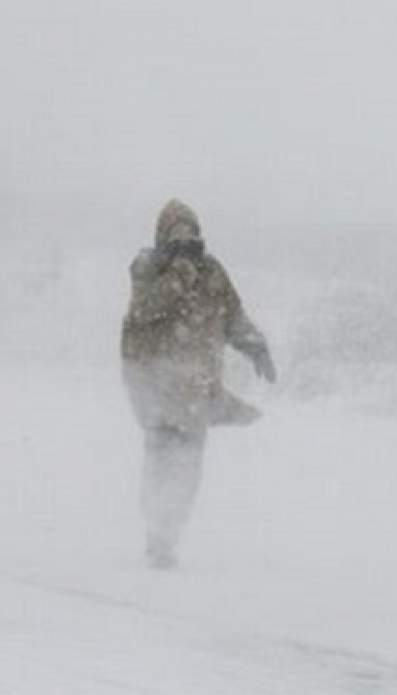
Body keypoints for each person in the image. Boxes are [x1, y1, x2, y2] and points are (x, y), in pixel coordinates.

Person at [121, 199, 276, 569]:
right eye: (176, 233)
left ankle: (170, 530)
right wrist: (177, 275)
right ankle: (157, 533)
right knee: (160, 459)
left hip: (196, 390)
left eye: (190, 231)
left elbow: (233, 315)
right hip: (156, 388)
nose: (185, 239)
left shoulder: (212, 272)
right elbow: (143, 310)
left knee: (189, 466)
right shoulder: (148, 268)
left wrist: (255, 345)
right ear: (162, 236)